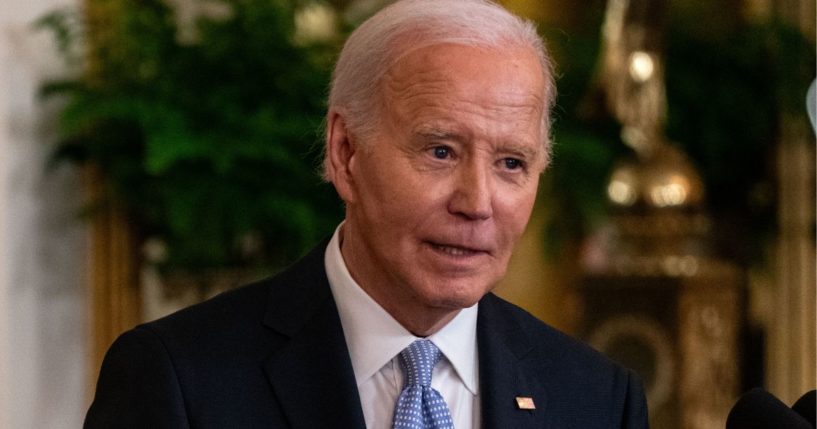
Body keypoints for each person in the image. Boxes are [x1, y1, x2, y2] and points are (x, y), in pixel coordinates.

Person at [84, 0, 649, 428]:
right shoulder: (179, 380)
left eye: (511, 162)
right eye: (440, 151)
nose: (477, 204)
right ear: (345, 153)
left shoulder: (597, 399)